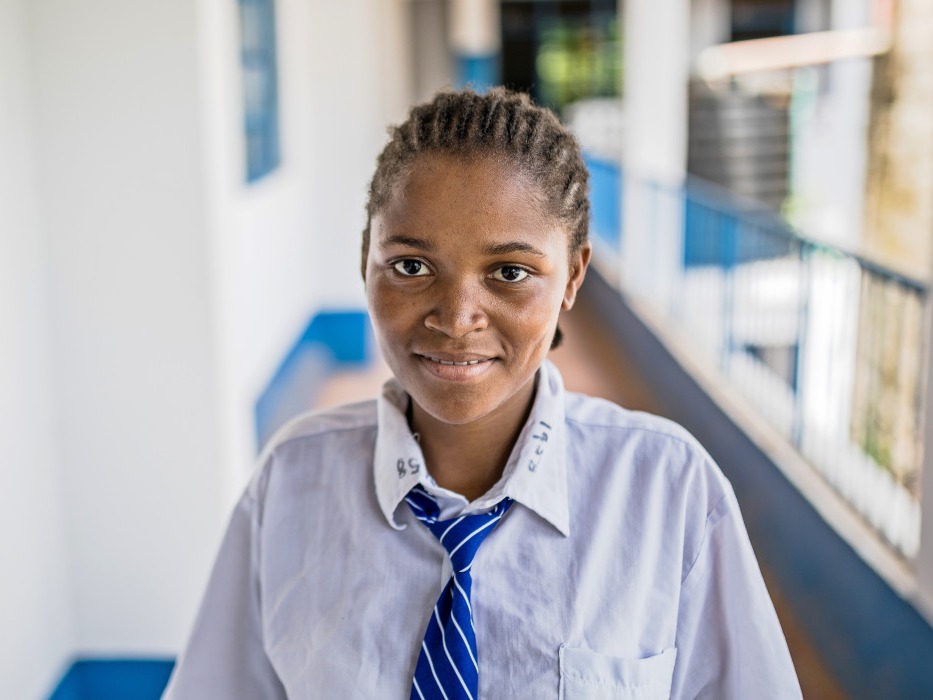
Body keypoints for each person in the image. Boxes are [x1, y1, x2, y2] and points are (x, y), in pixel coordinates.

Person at [163, 88, 802, 699]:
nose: (457, 316)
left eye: (510, 273)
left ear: (573, 276)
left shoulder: (669, 490)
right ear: (366, 260)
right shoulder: (291, 483)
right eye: (411, 266)